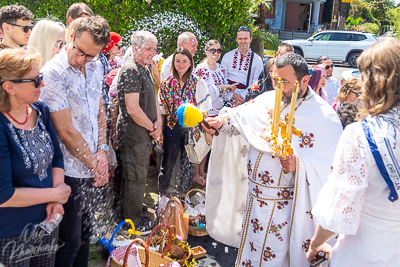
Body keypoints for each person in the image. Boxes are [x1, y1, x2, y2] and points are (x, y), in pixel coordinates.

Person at [204, 53, 343, 266]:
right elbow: (240, 116)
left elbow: (332, 169)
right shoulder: (268, 99)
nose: (278, 87)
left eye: (284, 82)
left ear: (305, 80)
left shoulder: (324, 116)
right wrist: (220, 122)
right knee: (252, 253)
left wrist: (298, 164)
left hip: (285, 209)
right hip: (254, 201)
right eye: (275, 80)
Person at [306, 38, 400, 266]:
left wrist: (316, 243)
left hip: (364, 251)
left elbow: (342, 202)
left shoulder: (361, 134)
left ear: (375, 81)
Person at [39, 16, 110, 267]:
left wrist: (102, 150)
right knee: (69, 243)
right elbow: (65, 130)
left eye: (90, 55)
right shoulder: (53, 72)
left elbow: (100, 108)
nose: (81, 59)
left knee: (86, 236)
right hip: (67, 170)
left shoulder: (97, 65)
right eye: (79, 50)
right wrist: (95, 164)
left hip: (92, 164)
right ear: (71, 36)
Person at [0, 48, 71, 266]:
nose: (43, 84)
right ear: (9, 87)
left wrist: (55, 201)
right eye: (36, 80)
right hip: (11, 232)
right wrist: (57, 195)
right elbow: (4, 196)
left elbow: (57, 156)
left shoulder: (40, 110)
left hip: (47, 222)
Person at [116, 30, 161, 231]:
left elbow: (154, 99)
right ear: (135, 48)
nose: (154, 52)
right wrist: (153, 127)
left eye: (155, 48)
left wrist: (158, 121)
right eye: (149, 48)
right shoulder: (131, 69)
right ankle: (131, 224)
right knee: (135, 179)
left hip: (145, 132)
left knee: (139, 176)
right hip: (134, 134)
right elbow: (133, 108)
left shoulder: (146, 67)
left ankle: (132, 214)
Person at [158, 47, 211, 197]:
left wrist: (207, 130)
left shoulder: (197, 82)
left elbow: (204, 109)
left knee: (187, 165)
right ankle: (162, 196)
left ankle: (183, 196)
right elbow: (162, 111)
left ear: (190, 63)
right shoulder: (166, 84)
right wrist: (160, 132)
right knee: (167, 163)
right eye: (177, 61)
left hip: (191, 129)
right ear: (173, 62)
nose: (181, 64)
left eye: (184, 61)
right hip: (171, 128)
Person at [221, 26, 263, 106]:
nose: (243, 41)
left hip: (245, 98)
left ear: (250, 39)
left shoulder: (257, 60)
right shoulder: (227, 56)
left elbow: (256, 81)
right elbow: (222, 78)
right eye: (240, 39)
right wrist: (232, 96)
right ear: (236, 39)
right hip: (227, 96)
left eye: (245, 38)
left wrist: (242, 98)